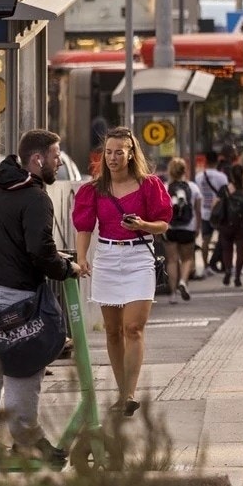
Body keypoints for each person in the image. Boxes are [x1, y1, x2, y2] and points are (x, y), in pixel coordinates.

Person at [0, 128, 79, 464]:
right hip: (13, 297)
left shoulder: (2, 189)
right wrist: (66, 268)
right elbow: (39, 252)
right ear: (37, 158)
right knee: (24, 365)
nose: (58, 162)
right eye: (56, 156)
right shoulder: (34, 197)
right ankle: (27, 441)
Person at [73, 126, 172, 417]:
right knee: (113, 331)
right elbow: (84, 226)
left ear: (131, 154)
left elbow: (163, 223)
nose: (113, 157)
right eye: (109, 152)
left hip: (138, 257)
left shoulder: (149, 185)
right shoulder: (94, 189)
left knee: (133, 328)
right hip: (106, 257)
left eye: (119, 152)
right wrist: (82, 258)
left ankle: (129, 394)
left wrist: (142, 225)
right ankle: (121, 392)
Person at [163, 158, 201, 304]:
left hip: (170, 228)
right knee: (187, 258)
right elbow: (198, 210)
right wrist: (198, 228)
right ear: (185, 170)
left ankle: (172, 294)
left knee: (172, 261)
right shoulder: (193, 187)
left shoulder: (166, 187)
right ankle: (183, 282)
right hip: (188, 228)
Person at [213, 163, 243, 288]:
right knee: (240, 251)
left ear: (231, 175)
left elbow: (215, 205)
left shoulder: (225, 189)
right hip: (242, 225)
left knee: (227, 250)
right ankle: (237, 277)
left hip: (226, 224)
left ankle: (228, 271)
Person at [194, 147, 231, 276]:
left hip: (204, 213)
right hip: (219, 213)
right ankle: (223, 264)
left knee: (205, 240)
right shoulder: (222, 177)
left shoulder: (199, 177)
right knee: (223, 239)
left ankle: (205, 266)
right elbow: (225, 195)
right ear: (216, 162)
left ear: (205, 161)